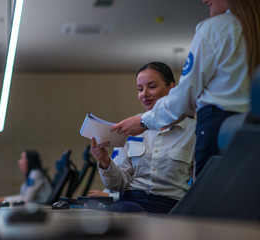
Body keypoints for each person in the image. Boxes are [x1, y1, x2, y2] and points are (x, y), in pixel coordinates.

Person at [111, 0, 260, 178]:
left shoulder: (215, 28)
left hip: (218, 128)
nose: (204, 0)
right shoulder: (253, 29)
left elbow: (185, 96)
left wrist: (144, 122)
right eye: (140, 88)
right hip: (251, 130)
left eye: (152, 86)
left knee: (211, 201)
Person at [91, 62, 196, 213]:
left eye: (152, 87)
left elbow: (201, 185)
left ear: (171, 88)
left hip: (169, 207)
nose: (144, 94)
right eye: (140, 89)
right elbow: (117, 185)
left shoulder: (193, 131)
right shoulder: (131, 126)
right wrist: (105, 161)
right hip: (130, 201)